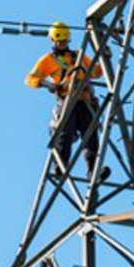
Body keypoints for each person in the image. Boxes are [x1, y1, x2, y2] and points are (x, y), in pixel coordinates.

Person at [24, 21, 111, 181]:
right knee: (65, 134)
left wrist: (105, 58)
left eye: (64, 40)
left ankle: (93, 171)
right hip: (67, 101)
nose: (62, 43)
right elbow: (30, 78)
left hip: (85, 102)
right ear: (52, 40)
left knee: (91, 136)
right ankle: (60, 167)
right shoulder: (49, 59)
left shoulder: (78, 56)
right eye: (59, 40)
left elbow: (96, 72)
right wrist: (46, 83)